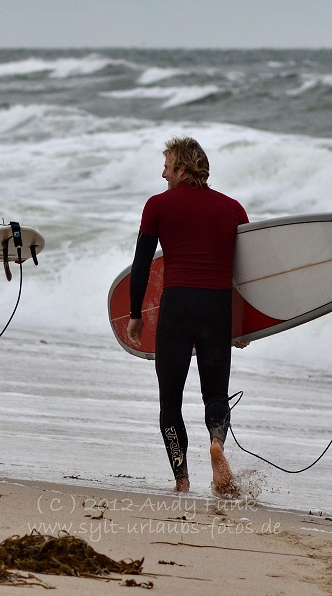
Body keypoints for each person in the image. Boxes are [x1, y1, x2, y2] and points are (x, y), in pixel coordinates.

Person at [126, 137, 249, 497]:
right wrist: (243, 325)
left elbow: (142, 265)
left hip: (177, 307)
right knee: (215, 393)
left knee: (170, 401)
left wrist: (136, 315)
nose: (162, 173)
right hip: (217, 308)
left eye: (167, 166)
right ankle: (216, 444)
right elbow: (246, 274)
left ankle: (181, 479)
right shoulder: (232, 208)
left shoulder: (158, 206)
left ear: (182, 168)